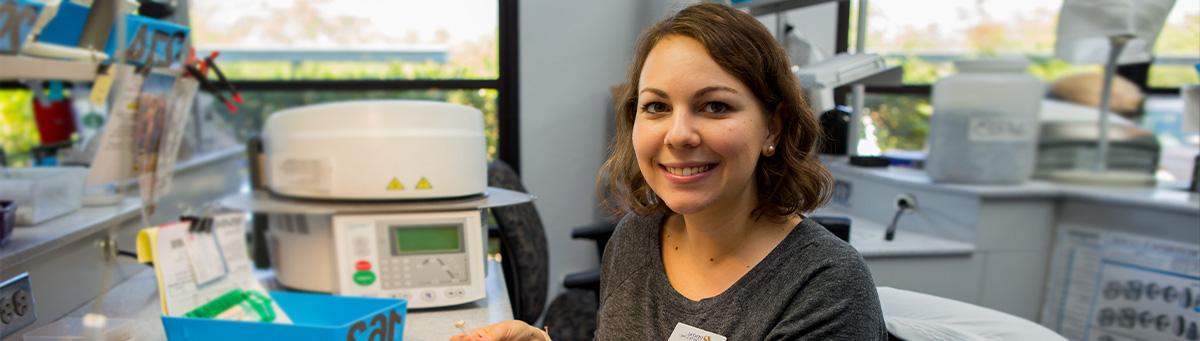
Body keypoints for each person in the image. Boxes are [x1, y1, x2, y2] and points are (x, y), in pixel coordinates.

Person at [452, 3, 885, 340]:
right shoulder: (636, 238)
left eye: (715, 106)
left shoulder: (825, 287)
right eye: (656, 107)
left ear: (773, 126)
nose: (678, 135)